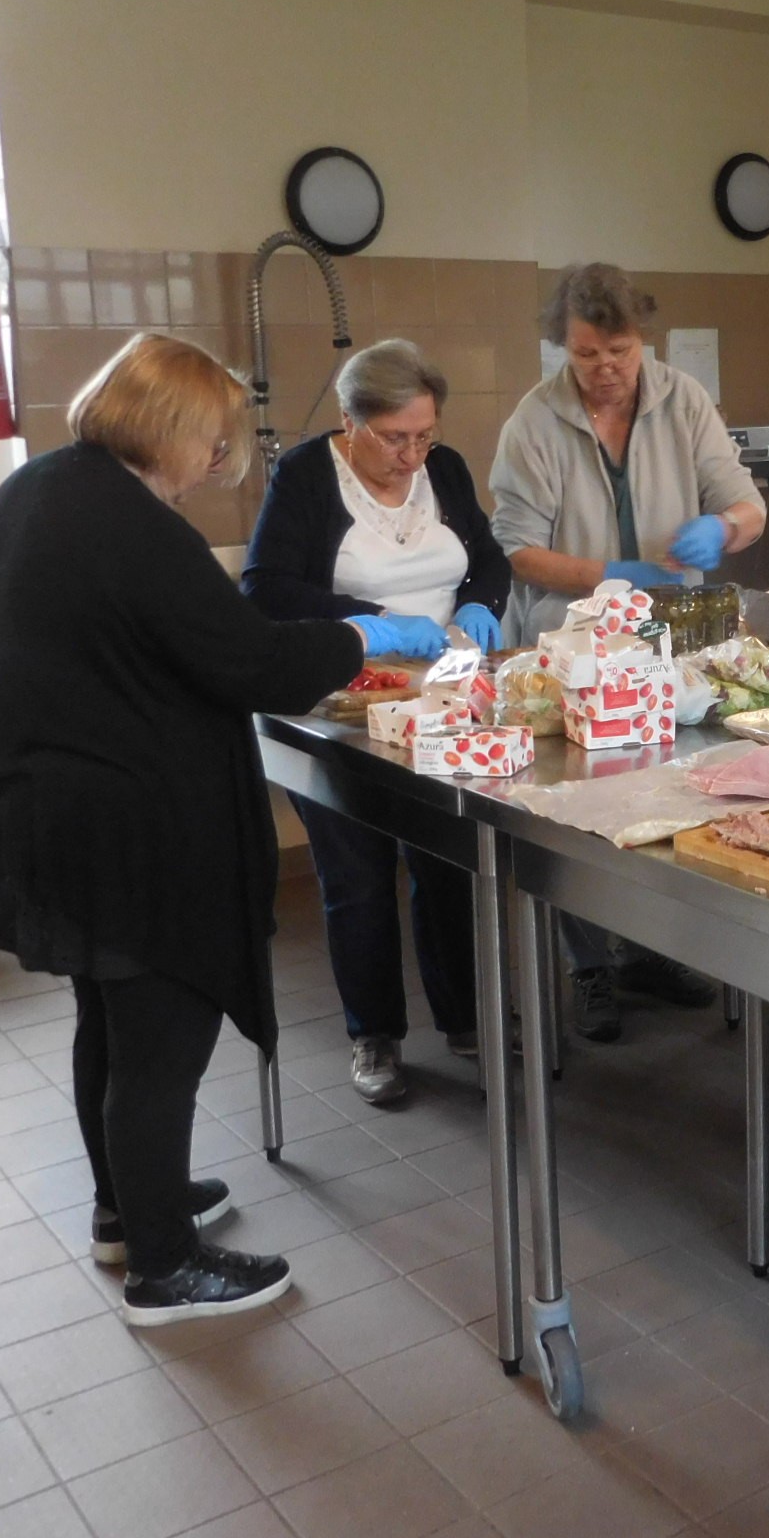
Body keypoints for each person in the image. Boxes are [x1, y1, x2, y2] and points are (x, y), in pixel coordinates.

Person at [0, 333, 385, 1325]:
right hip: (126, 831)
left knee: (108, 1025)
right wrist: (361, 638)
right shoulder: (134, 526)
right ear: (170, 426)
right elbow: (245, 663)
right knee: (159, 1043)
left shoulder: (35, 490)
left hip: (49, 812)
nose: (215, 462)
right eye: (211, 441)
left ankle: (127, 1207)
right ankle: (166, 1266)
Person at [490, 262, 766, 1042]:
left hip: (670, 643)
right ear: (562, 350)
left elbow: (745, 502)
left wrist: (726, 527)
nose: (605, 370)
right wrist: (615, 575)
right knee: (579, 807)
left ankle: (648, 950)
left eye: (619, 351)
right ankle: (589, 964)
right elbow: (518, 549)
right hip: (569, 643)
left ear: (642, 340)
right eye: (586, 356)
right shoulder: (533, 425)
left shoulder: (684, 400)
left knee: (664, 793)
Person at [242, 340, 510, 1107]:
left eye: (424, 436)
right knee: (356, 876)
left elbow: (487, 558)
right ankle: (376, 1037)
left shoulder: (445, 470)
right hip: (342, 701)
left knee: (448, 863)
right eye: (397, 438)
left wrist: (478, 604)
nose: (413, 454)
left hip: (441, 698)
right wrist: (372, 624)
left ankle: (464, 1018)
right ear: (350, 421)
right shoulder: (304, 477)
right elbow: (265, 590)